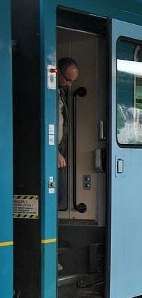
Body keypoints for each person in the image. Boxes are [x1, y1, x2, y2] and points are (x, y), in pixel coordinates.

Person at [57, 57, 79, 210]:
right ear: (57, 71)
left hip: (59, 149)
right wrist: (54, 152)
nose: (69, 84)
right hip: (54, 151)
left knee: (60, 193)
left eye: (72, 81)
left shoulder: (60, 92)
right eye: (67, 79)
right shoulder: (47, 92)